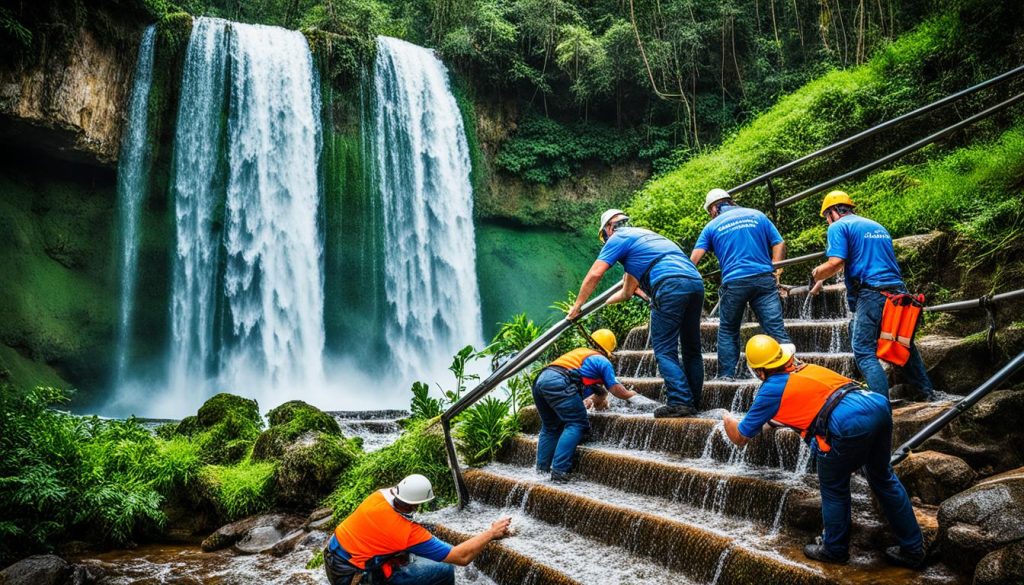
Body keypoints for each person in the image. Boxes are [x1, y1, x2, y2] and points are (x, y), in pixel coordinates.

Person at [722, 335, 926, 568]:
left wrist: (727, 419)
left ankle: (834, 549)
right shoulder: (808, 368)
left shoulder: (770, 389)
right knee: (883, 478)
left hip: (845, 425)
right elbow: (805, 405)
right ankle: (913, 549)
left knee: (834, 489)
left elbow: (739, 437)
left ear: (759, 372)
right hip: (877, 406)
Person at [567, 209, 704, 419]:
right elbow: (626, 292)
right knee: (691, 348)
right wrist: (603, 303)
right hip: (694, 282)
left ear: (608, 229)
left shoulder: (618, 237)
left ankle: (680, 402)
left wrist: (577, 307)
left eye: (604, 238)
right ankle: (693, 400)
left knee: (665, 350)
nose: (606, 243)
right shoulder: (645, 238)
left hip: (668, 284)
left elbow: (595, 273)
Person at [810, 191, 936, 401]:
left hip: (872, 293)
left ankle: (879, 404)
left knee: (863, 350)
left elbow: (836, 263)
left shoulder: (838, 227)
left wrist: (816, 274)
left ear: (832, 212)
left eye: (826, 217)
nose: (827, 222)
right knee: (902, 344)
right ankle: (927, 393)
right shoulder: (875, 226)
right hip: (897, 292)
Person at [324, 474, 512, 585]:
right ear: (416, 505)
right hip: (351, 578)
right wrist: (491, 533)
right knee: (444, 569)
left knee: (412, 557)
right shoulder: (406, 532)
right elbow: (461, 557)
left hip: (333, 558)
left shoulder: (378, 496)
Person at [691, 188, 794, 380]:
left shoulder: (712, 226)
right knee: (775, 328)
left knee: (729, 330)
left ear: (714, 208)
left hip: (735, 282)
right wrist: (776, 271)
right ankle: (790, 370)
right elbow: (779, 243)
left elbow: (694, 260)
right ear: (730, 201)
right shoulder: (757, 215)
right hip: (764, 279)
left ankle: (726, 377)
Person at [533, 329, 638, 482]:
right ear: (609, 349)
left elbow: (594, 388)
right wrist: (629, 394)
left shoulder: (582, 353)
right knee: (577, 423)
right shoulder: (602, 361)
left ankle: (541, 470)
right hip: (559, 382)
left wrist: (597, 399)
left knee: (551, 427)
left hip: (540, 380)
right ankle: (559, 471)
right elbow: (614, 388)